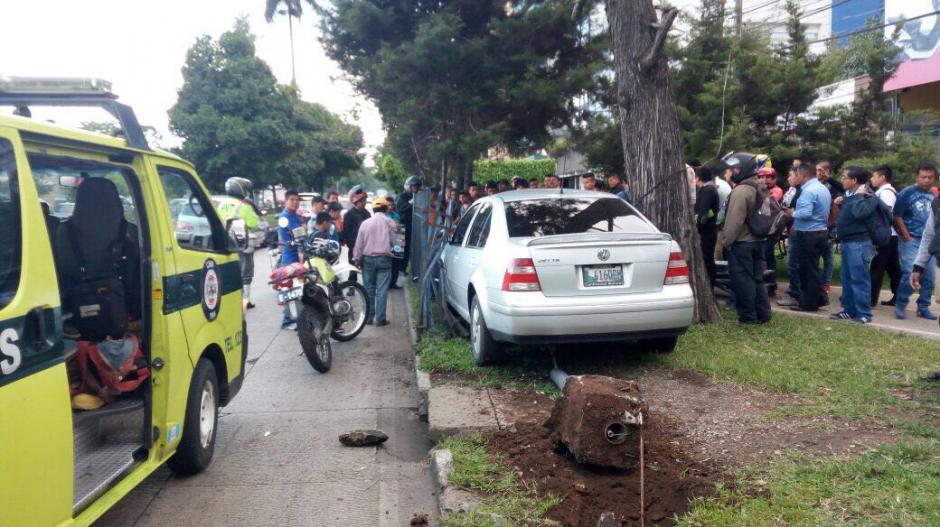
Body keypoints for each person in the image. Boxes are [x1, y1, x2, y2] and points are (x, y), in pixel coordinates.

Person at [719, 153, 771, 324]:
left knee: (743, 281)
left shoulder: (741, 190)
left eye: (731, 169)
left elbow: (735, 220)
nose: (728, 173)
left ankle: (748, 316)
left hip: (742, 243)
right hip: (759, 240)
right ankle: (763, 314)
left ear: (740, 169)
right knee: (757, 279)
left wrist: (726, 242)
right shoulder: (759, 186)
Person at [830, 166, 879, 323]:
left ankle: (864, 313)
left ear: (854, 180)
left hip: (859, 243)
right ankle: (849, 310)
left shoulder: (868, 197)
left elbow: (859, 213)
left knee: (859, 279)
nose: (842, 180)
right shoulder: (849, 195)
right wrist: (842, 202)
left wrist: (858, 197)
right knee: (846, 279)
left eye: (844, 177)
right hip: (847, 241)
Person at [893, 163, 939, 320]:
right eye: (923, 177)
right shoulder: (907, 192)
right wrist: (907, 236)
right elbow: (897, 216)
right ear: (917, 177)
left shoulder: (935, 195)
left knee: (930, 276)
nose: (926, 180)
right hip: (911, 239)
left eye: (930, 177)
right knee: (909, 271)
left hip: (929, 241)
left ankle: (923, 306)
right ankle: (901, 303)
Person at [787, 163, 831, 312]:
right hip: (820, 232)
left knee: (807, 271)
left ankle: (808, 303)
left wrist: (792, 213)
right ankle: (819, 298)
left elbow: (806, 213)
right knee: (813, 269)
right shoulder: (822, 188)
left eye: (797, 175)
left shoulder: (808, 191)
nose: (796, 177)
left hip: (809, 234)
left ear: (804, 175)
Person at [217, 177, 261, 309]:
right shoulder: (244, 206)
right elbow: (254, 223)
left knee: (228, 272)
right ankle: (245, 300)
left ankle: (230, 301)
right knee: (246, 273)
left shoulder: (221, 205)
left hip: (225, 244)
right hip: (241, 243)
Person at [353, 197, 397, 326]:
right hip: (385, 259)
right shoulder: (391, 222)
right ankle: (380, 319)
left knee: (369, 288)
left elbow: (359, 244)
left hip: (367, 259)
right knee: (382, 289)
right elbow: (398, 243)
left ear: (373, 210)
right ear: (386, 209)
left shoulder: (365, 223)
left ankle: (368, 317)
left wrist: (356, 259)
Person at [869, 165, 901, 306]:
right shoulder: (887, 191)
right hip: (891, 235)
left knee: (877, 267)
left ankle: (871, 299)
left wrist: (877, 235)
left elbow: (885, 214)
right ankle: (899, 296)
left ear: (882, 177)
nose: (871, 179)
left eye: (874, 176)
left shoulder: (886, 193)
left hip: (885, 236)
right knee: (893, 268)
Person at [277, 190, 305, 329]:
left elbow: (301, 235)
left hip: (299, 257)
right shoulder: (284, 218)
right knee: (290, 290)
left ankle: (298, 317)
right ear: (286, 201)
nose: (295, 202)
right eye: (292, 199)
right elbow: (289, 238)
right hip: (290, 258)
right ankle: (287, 321)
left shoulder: (296, 216)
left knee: (298, 289)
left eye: (297, 200)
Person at [817, 160, 843, 297]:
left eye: (821, 170)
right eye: (817, 170)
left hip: (830, 225)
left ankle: (826, 283)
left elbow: (836, 206)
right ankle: (816, 281)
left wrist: (831, 225)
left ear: (828, 171)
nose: (818, 173)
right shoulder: (815, 184)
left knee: (828, 255)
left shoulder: (833, 185)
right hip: (817, 225)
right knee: (815, 255)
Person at [778, 167, 803, 306]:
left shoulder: (801, 192)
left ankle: (795, 294)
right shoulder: (793, 190)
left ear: (799, 177)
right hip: (794, 229)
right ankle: (796, 292)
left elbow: (797, 211)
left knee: (794, 264)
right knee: (794, 263)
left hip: (797, 230)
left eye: (791, 175)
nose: (788, 178)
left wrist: (790, 212)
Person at [694, 165, 720, 284]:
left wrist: (698, 227)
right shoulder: (711, 189)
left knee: (707, 259)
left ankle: (710, 284)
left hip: (706, 232)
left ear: (699, 178)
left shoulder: (708, 190)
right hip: (709, 231)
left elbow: (703, 213)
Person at [343, 186, 372, 283]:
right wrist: (352, 245)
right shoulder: (349, 214)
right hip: (353, 246)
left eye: (365, 200)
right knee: (353, 269)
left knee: (366, 270)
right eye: (363, 201)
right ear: (357, 202)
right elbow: (346, 232)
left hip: (366, 247)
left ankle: (366, 287)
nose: (365, 202)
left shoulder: (367, 214)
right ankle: (351, 285)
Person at [397, 176, 421, 284]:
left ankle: (403, 268)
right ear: (409, 186)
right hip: (401, 225)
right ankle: (397, 270)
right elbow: (400, 209)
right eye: (414, 187)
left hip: (411, 225)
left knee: (407, 249)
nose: (415, 189)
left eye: (417, 187)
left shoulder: (417, 196)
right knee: (399, 249)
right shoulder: (402, 196)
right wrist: (411, 202)